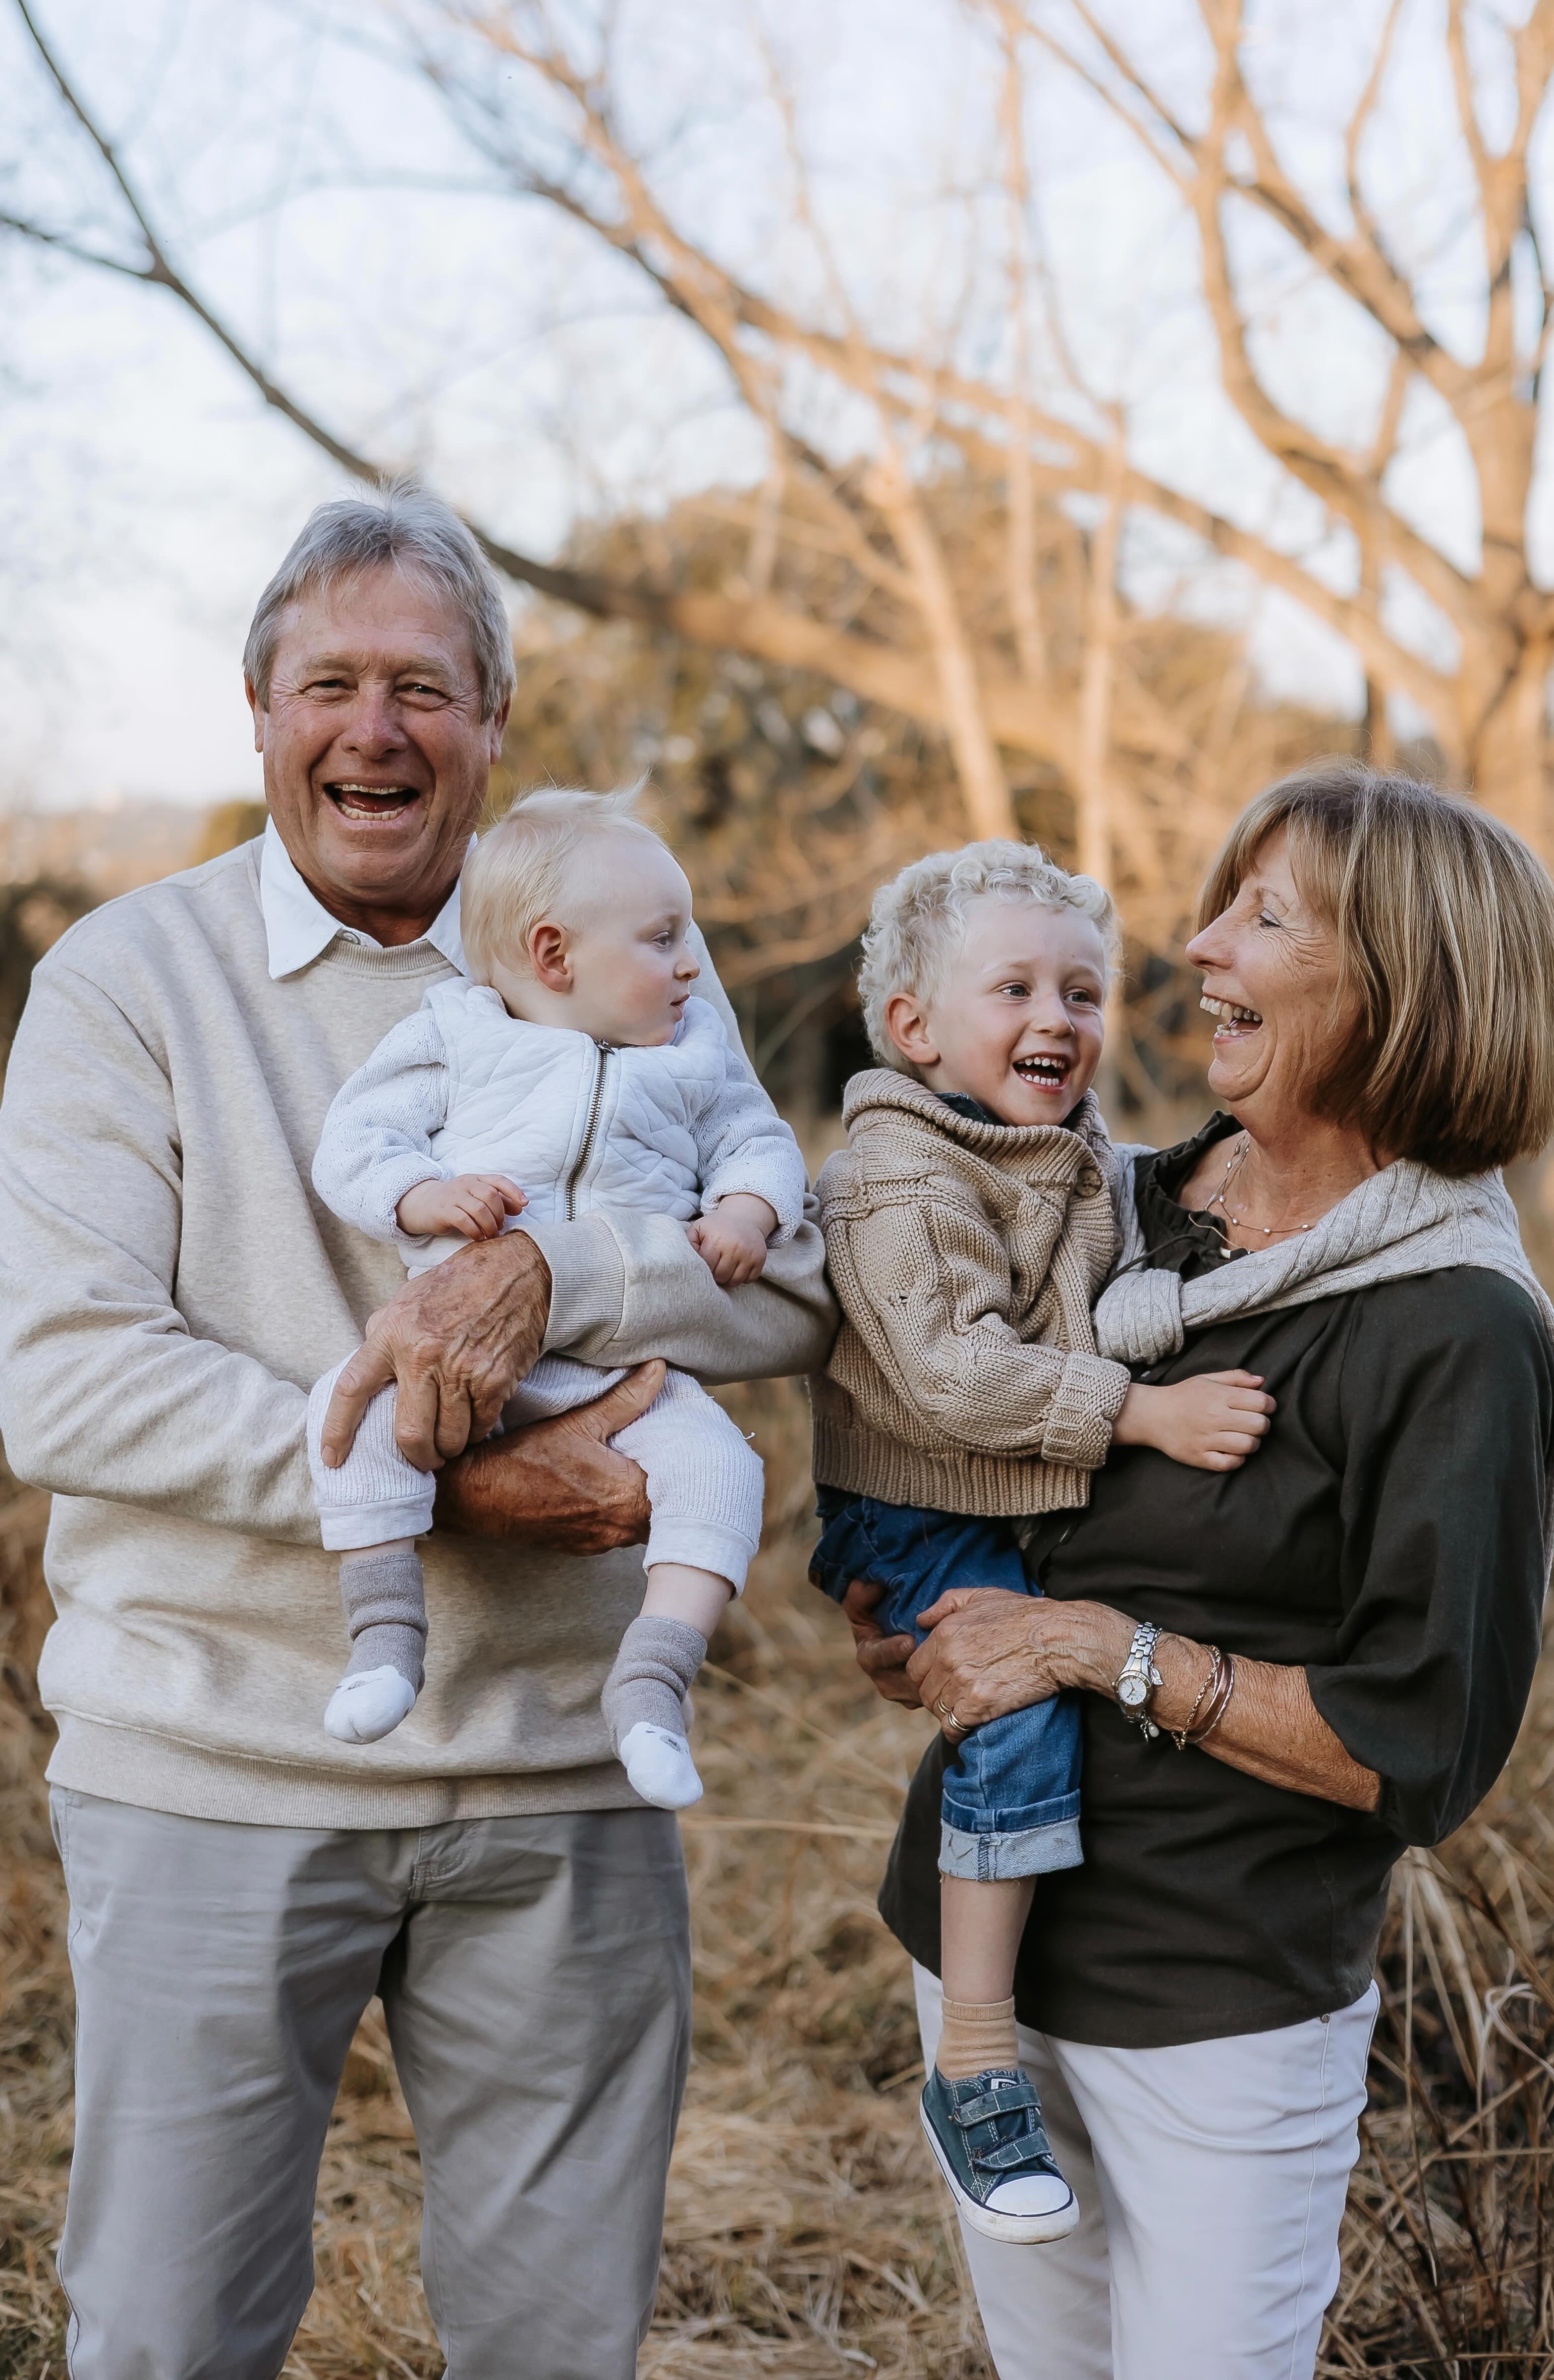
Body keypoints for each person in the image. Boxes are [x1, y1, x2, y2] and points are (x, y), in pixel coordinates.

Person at [0, 482, 836, 2380]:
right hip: (218, 1763)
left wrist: (569, 1275)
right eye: (329, 684)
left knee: (560, 2346)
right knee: (165, 2337)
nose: (374, 730)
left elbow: (798, 1270)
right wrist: (447, 1479)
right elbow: (64, 1371)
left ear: (495, 721)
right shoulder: (131, 983)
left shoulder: (623, 947)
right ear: (260, 708)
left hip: (562, 1778)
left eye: (424, 689)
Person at [838, 764, 1554, 2380]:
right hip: (980, 1961)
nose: (1201, 943)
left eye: (1264, 914)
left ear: (1399, 992)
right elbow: (972, 1440)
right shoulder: (1128, 1209)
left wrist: (1094, 1645)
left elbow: (1419, 1744)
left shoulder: (1460, 1327)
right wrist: (930, 1626)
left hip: (1222, 2011)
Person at [806, 839, 1272, 2243]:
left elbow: (1131, 1196)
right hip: (927, 1500)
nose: (1057, 1019)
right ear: (914, 1029)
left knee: (1034, 1700)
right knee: (1017, 1721)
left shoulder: (1055, 1153)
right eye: (1012, 987)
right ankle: (977, 2061)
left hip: (999, 1487)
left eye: (1083, 990)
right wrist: (1138, 1414)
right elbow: (952, 1376)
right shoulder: (896, 1177)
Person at [308, 782, 807, 1808]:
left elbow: (759, 1140)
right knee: (344, 1416)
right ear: (552, 957)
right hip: (457, 1361)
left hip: (624, 1372)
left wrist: (747, 1212)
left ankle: (654, 1682)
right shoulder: (461, 1036)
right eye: (664, 939)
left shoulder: (693, 1052)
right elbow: (356, 1142)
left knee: (720, 1468)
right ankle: (385, 1637)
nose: (689, 965)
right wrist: (424, 1193)